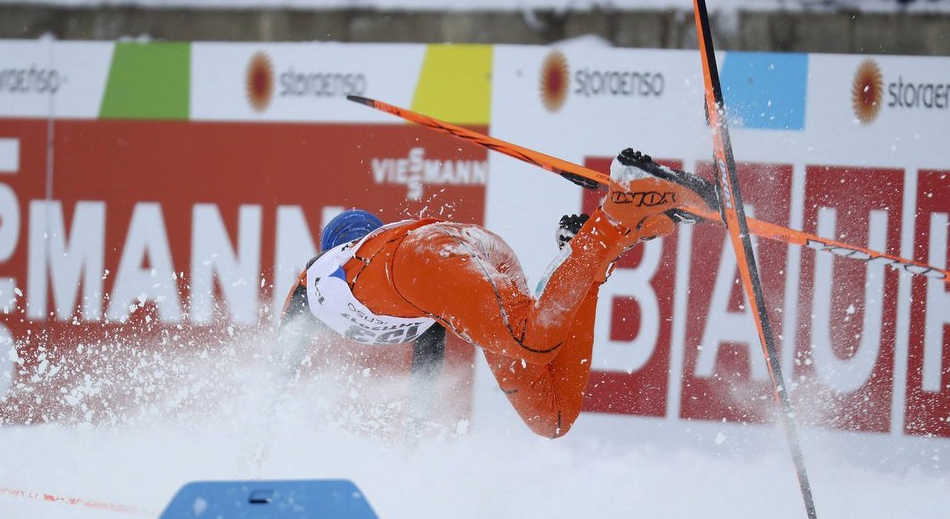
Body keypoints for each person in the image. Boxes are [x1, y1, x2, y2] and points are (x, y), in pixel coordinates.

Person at [278, 148, 717, 438]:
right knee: (553, 415)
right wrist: (406, 453)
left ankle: (624, 203)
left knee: (532, 339)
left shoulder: (319, 278)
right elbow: (426, 369)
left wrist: (253, 448)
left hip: (433, 255)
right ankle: (594, 246)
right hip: (450, 273)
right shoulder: (393, 301)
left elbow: (276, 369)